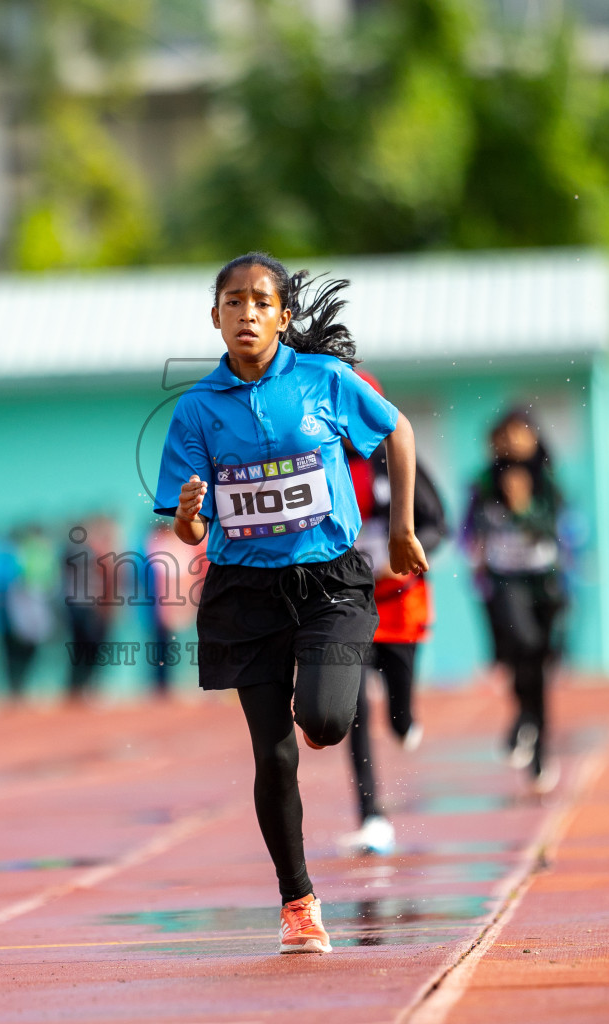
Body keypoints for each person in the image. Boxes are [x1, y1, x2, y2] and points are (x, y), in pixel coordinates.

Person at [156, 252, 429, 955]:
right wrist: (190, 514)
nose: (246, 313)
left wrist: (399, 528)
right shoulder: (196, 411)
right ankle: (298, 902)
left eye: (260, 301)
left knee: (328, 720)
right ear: (214, 316)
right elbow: (186, 528)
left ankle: (320, 710)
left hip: (330, 583)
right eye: (233, 302)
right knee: (272, 756)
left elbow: (397, 431)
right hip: (245, 592)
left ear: (282, 315)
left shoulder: (324, 381)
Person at [337, 370, 447, 857]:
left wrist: (406, 562)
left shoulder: (397, 457)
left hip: (399, 602)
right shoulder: (320, 464)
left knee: (398, 709)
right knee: (353, 707)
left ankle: (404, 718)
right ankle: (372, 815)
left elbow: (438, 523)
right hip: (345, 603)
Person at [461, 410, 566, 795]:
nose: (514, 442)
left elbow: (563, 532)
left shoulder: (547, 482)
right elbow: (467, 532)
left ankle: (538, 744)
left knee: (538, 664)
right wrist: (478, 560)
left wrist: (524, 511)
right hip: (504, 583)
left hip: (544, 585)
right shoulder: (484, 481)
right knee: (519, 647)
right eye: (506, 435)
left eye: (522, 434)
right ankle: (523, 721)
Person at [0, 525, 55, 700]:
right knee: (15, 658)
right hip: (14, 621)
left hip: (13, 620)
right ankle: (14, 691)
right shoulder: (14, 559)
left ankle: (17, 691)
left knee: (16, 658)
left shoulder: (9, 558)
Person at [141, 519, 208, 696]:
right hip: (163, 606)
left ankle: (173, 683)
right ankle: (162, 684)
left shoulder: (169, 548)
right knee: (164, 645)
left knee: (174, 644)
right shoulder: (160, 548)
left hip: (172, 605)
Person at [63, 516, 119, 702]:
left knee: (84, 651)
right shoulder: (89, 552)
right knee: (86, 650)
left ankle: (80, 689)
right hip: (86, 607)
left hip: (84, 607)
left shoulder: (73, 551)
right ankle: (79, 690)